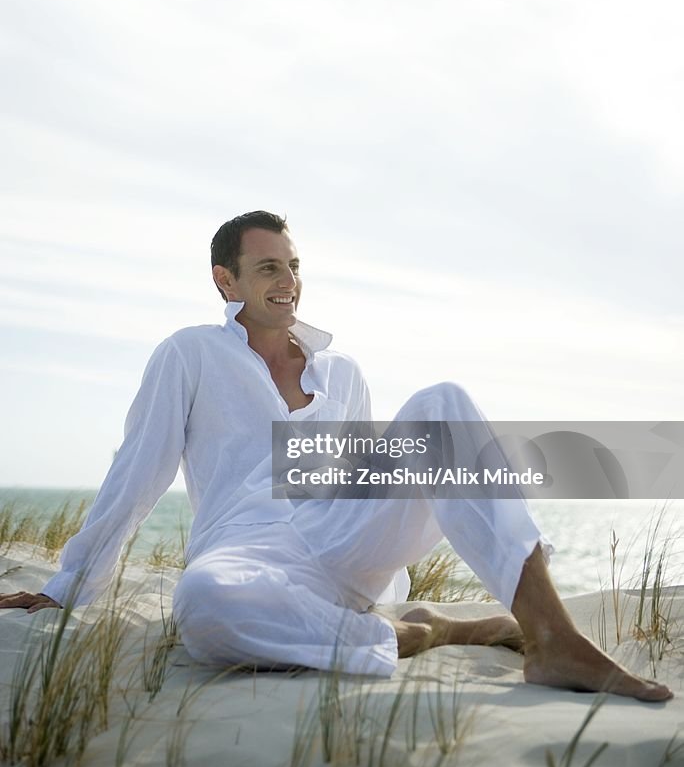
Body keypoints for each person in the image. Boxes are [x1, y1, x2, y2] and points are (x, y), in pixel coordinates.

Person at [0, 211, 672, 701]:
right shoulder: (190, 354)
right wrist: (68, 585)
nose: (288, 279)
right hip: (248, 547)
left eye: (293, 266)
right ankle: (421, 635)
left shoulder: (341, 368)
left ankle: (550, 637)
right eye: (269, 267)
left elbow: (366, 478)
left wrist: (383, 576)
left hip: (343, 539)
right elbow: (138, 469)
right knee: (203, 602)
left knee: (442, 402)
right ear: (225, 280)